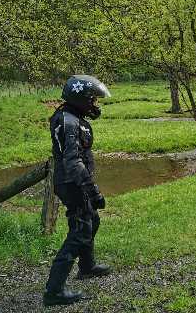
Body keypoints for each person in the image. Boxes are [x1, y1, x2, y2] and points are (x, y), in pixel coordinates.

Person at [43, 75, 112, 307]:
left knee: (92, 220)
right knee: (80, 231)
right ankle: (54, 291)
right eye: (92, 99)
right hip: (72, 183)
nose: (95, 104)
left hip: (75, 182)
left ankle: (87, 266)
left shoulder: (71, 117)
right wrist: (93, 191)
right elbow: (73, 162)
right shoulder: (68, 121)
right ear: (80, 98)